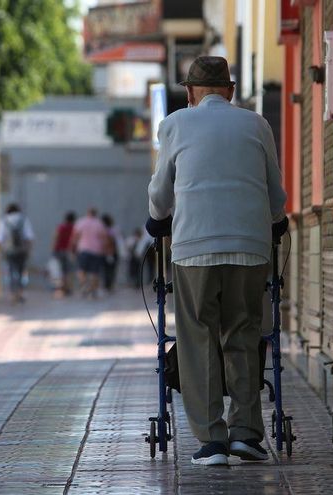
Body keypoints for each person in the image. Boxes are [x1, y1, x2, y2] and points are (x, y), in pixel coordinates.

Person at [147, 56, 289, 466]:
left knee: (197, 336)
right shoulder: (257, 124)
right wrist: (275, 222)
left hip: (195, 247)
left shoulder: (176, 124)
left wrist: (156, 220)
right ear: (229, 90)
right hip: (250, 245)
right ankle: (246, 433)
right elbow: (275, 194)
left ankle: (212, 441)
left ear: (190, 92)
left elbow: (161, 192)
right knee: (244, 332)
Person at [0, 203, 34, 303]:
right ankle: (20, 293)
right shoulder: (24, 220)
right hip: (22, 250)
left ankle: (13, 295)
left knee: (11, 271)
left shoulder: (3, 220)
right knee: (21, 272)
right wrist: (29, 250)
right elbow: (29, 237)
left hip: (9, 250)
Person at [71, 208, 108, 298]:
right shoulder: (99, 223)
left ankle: (85, 285)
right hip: (96, 251)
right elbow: (104, 238)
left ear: (87, 213)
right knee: (94, 272)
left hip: (83, 249)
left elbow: (75, 236)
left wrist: (73, 248)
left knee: (81, 270)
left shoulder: (81, 222)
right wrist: (105, 249)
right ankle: (93, 290)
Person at [51, 211, 76, 297]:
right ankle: (67, 288)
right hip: (69, 251)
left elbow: (56, 238)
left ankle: (60, 288)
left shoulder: (61, 227)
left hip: (59, 250)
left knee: (58, 270)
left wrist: (53, 249)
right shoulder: (74, 228)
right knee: (68, 271)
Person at [101, 214, 119, 293]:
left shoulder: (106, 231)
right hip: (112, 253)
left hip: (108, 253)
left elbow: (110, 242)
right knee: (111, 270)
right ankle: (109, 285)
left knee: (106, 270)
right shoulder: (112, 230)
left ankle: (108, 285)